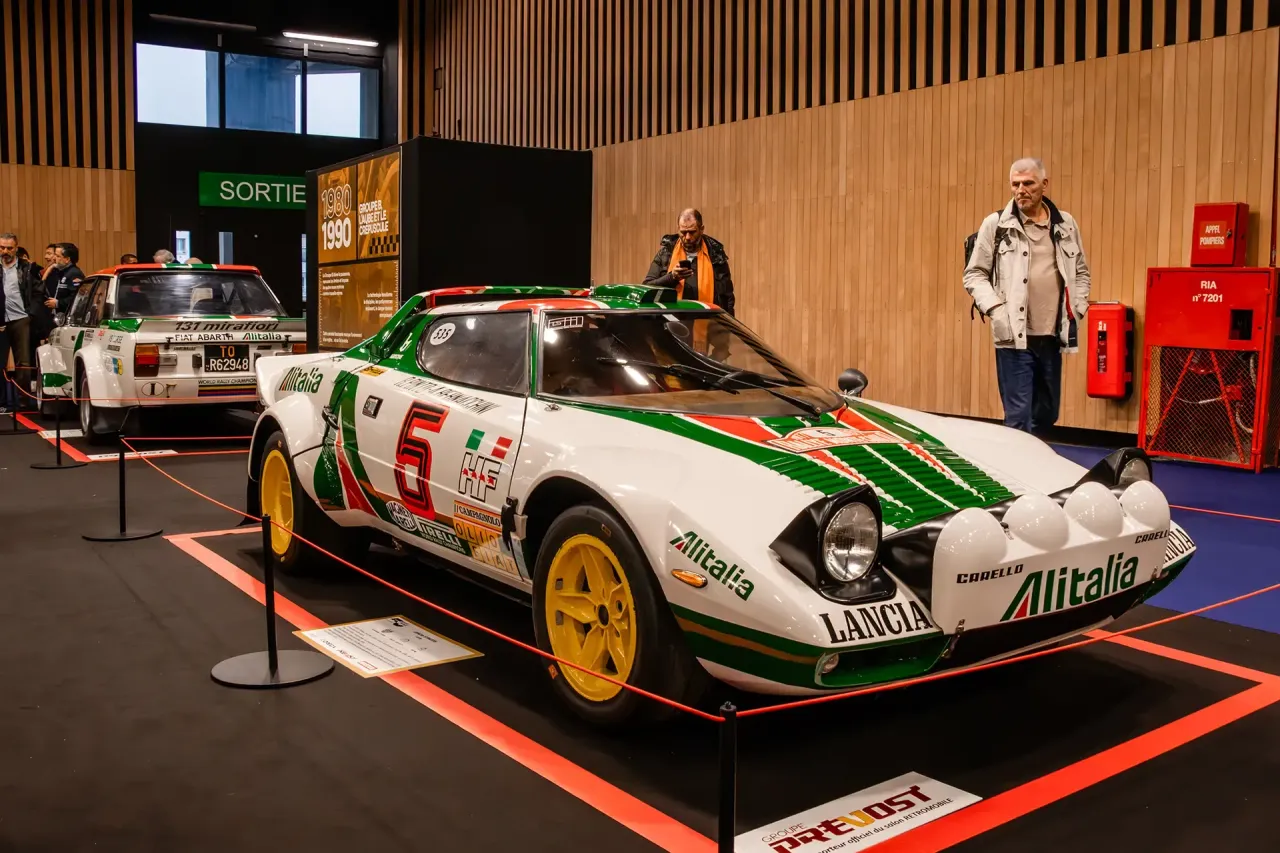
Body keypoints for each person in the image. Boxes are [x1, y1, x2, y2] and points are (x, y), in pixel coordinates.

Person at [963, 157, 1092, 434]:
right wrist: (997, 310)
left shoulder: (1065, 224)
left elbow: (1081, 272)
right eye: (1015, 184)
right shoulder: (996, 224)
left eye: (1028, 183)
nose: (1021, 190)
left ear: (1044, 184)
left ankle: (1036, 459)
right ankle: (1016, 460)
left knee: (1047, 413)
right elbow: (974, 274)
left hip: (1053, 336)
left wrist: (1078, 308)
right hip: (1013, 336)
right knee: (1019, 418)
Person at [642, 208, 736, 316]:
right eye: (683, 232)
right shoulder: (666, 253)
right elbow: (647, 287)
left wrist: (729, 325)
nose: (687, 237)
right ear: (678, 229)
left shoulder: (716, 255)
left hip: (707, 321)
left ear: (701, 229)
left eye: (692, 232)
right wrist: (672, 277)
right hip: (671, 321)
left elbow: (728, 298)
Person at [0, 233, 48, 411]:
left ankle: (23, 401)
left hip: (21, 318)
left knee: (24, 362)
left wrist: (31, 314)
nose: (5, 251)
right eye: (2, 247)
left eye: (9, 248)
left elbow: (39, 292)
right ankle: (2, 401)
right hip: (0, 319)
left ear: (16, 249)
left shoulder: (28, 268)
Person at [47, 242, 85, 318]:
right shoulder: (61, 272)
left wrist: (58, 303)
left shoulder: (74, 273)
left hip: (69, 318)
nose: (54, 258)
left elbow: (77, 298)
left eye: (58, 256)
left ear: (67, 259)